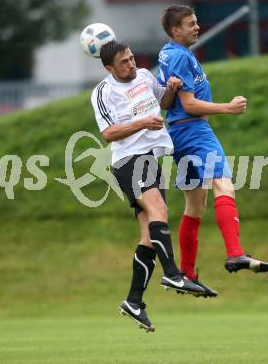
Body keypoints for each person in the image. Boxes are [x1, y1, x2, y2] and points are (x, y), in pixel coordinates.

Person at [158, 5, 268, 297]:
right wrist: (228, 108)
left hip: (178, 134)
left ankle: (188, 273)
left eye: (196, 22)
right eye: (191, 23)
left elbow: (166, 103)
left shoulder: (168, 54)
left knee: (195, 206)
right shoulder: (181, 56)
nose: (197, 27)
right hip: (195, 132)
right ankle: (235, 252)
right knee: (224, 183)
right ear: (175, 30)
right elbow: (190, 104)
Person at [90, 41, 204, 333]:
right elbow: (108, 133)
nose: (131, 65)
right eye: (124, 62)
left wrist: (170, 90)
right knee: (160, 209)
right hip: (128, 160)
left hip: (152, 158)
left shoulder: (144, 76)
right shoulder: (103, 92)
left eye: (131, 59)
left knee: (149, 234)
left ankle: (134, 301)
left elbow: (162, 105)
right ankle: (173, 273)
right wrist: (142, 124)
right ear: (109, 68)